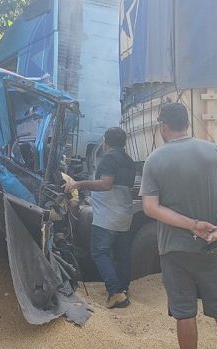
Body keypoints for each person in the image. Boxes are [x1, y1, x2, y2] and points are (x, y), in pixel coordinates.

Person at [139, 103, 217, 349]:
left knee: (184, 313)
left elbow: (150, 208)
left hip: (174, 250)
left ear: (163, 127)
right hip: (211, 247)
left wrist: (192, 225)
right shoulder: (212, 151)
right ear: (187, 124)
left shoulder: (154, 159)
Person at [65, 127, 136, 308]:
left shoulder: (109, 158)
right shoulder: (129, 161)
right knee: (122, 253)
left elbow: (105, 184)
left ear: (106, 143)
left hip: (107, 215)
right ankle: (123, 288)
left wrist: (78, 184)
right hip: (124, 215)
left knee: (99, 251)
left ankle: (114, 292)